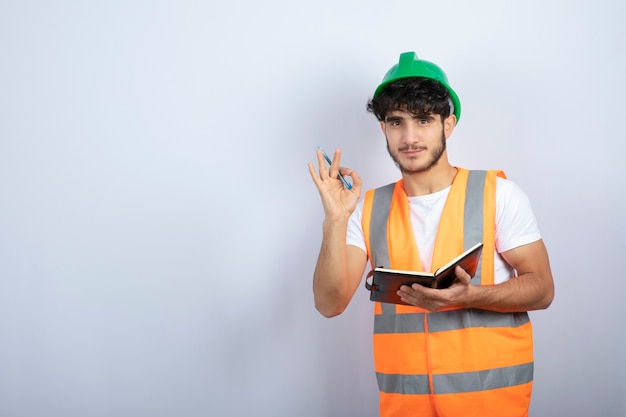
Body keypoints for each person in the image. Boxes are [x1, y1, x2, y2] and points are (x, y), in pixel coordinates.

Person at [308, 52, 554, 417]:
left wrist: (471, 296)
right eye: (396, 122)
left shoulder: (498, 194)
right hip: (407, 406)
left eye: (423, 120)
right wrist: (335, 220)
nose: (409, 137)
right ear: (383, 129)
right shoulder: (367, 208)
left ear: (448, 124)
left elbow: (543, 289)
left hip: (489, 404)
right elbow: (330, 304)